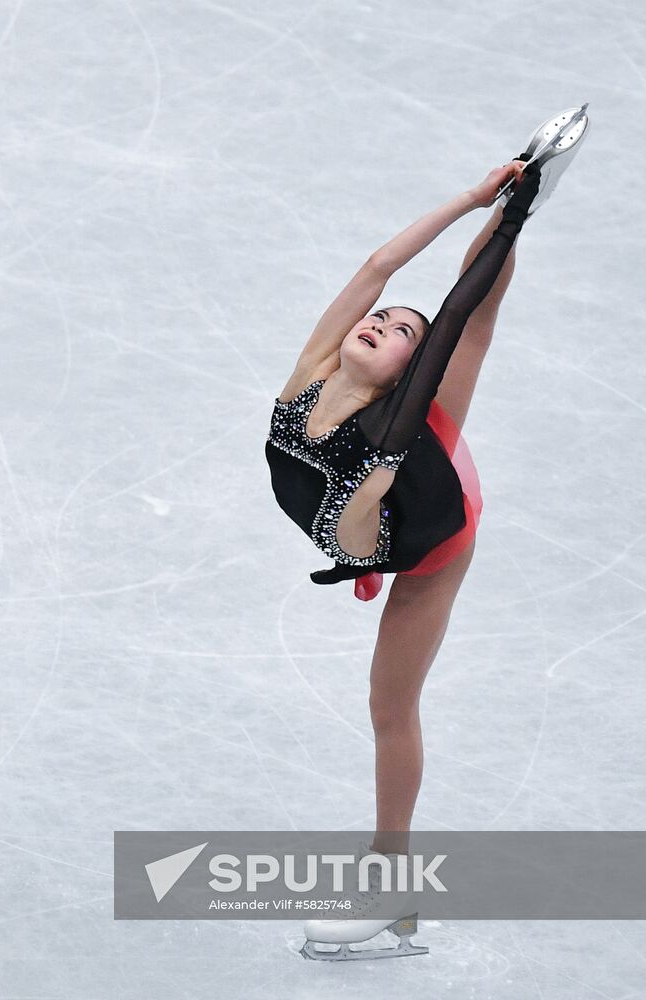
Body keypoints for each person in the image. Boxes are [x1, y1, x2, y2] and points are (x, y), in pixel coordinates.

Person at [264, 106, 589, 961]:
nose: (384, 320)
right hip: (364, 518)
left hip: (424, 545)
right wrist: (476, 194)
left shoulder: (402, 433)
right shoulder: (308, 376)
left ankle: (390, 884)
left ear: (412, 372)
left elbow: (463, 317)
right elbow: (379, 268)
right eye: (379, 319)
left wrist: (515, 217)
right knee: (406, 293)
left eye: (403, 333)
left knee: (388, 705)